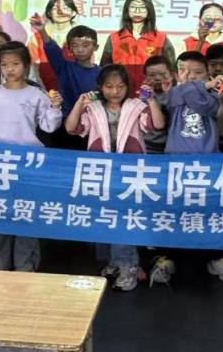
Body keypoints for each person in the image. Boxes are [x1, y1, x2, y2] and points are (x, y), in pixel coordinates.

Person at [0, 42, 63, 271]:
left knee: (25, 212)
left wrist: (55, 108)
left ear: (26, 66)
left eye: (15, 64)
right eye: (5, 64)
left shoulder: (36, 94)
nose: (10, 69)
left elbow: (48, 126)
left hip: (28, 164)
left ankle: (25, 265)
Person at [144, 51, 223, 287]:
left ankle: (218, 258)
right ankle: (165, 258)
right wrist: (204, 83)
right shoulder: (174, 93)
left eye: (198, 72)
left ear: (208, 73)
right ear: (175, 74)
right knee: (172, 211)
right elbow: (180, 93)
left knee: (212, 211)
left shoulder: (214, 96)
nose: (190, 76)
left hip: (208, 164)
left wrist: (207, 86)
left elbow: (205, 106)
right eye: (184, 71)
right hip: (176, 165)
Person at [64, 65, 159, 290]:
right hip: (100, 172)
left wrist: (151, 100)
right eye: (109, 86)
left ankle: (128, 266)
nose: (115, 91)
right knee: (103, 216)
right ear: (100, 87)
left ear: (128, 87)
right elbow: (72, 128)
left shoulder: (136, 106)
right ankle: (112, 263)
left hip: (129, 172)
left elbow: (157, 124)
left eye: (120, 86)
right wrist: (79, 104)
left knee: (123, 217)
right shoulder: (93, 108)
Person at [100, 0, 175, 93]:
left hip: (152, 95)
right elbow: (104, 70)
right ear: (127, 10)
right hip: (119, 95)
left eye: (142, 7)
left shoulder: (161, 38)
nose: (137, 11)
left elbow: (171, 72)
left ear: (149, 11)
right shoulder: (114, 38)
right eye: (133, 7)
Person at [27, 0, 79, 90]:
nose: (60, 12)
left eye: (65, 8)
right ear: (49, 13)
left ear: (73, 12)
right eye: (55, 8)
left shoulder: (82, 36)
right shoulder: (36, 38)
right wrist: (42, 90)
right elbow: (32, 69)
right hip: (44, 90)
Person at [139, 55, 175, 154]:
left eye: (163, 74)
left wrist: (168, 93)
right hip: (147, 146)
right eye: (152, 75)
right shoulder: (143, 95)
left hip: (170, 147)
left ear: (172, 75)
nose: (158, 78)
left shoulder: (176, 94)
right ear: (145, 77)